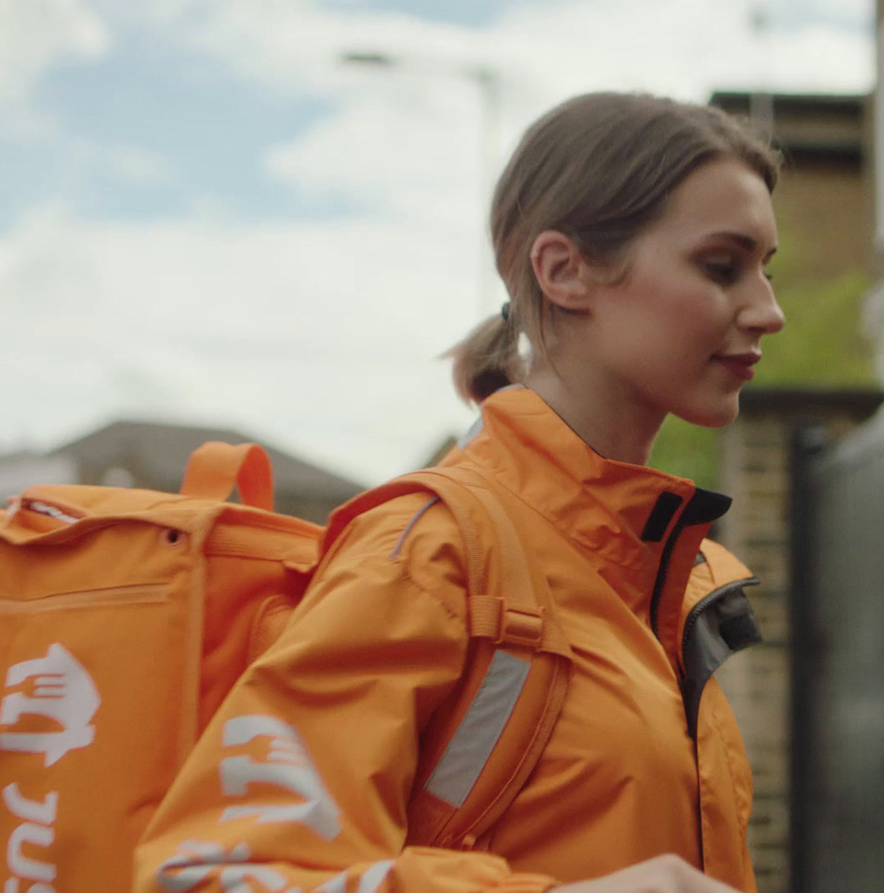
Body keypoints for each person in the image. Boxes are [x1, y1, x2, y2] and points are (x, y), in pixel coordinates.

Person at [133, 91, 784, 893]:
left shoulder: (672, 572)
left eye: (766, 268)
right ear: (564, 271)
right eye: (722, 266)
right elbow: (211, 875)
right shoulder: (431, 550)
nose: (770, 309)